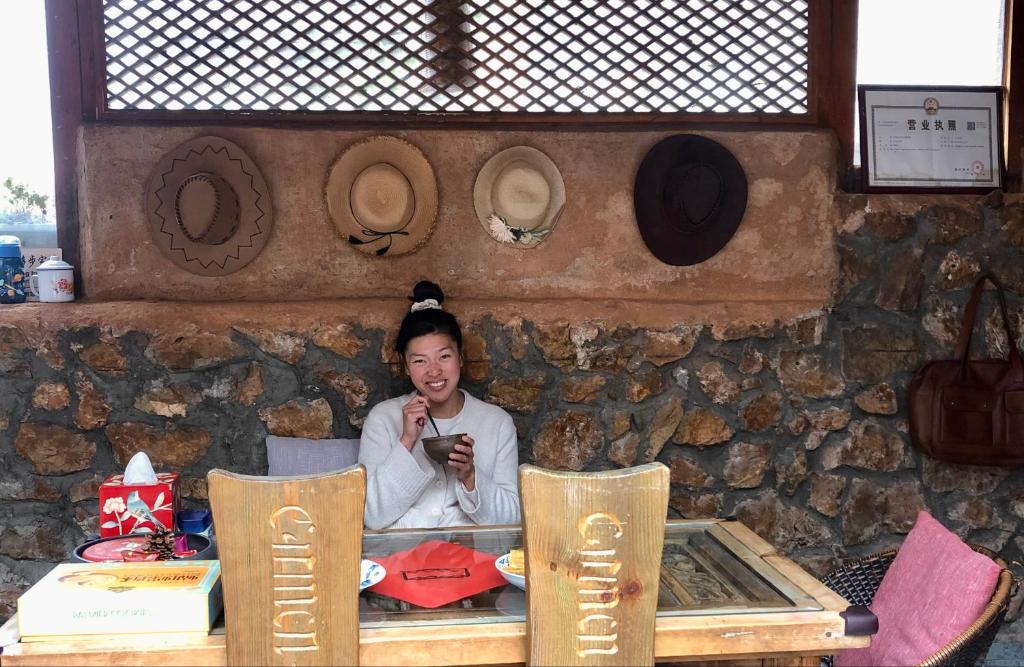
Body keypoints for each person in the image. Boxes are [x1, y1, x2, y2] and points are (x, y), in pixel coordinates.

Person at [358, 281, 521, 529]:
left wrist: (470, 476)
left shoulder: (496, 422)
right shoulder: (383, 419)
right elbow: (371, 516)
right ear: (405, 365)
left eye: (444, 356)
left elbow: (511, 520)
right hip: (402, 558)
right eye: (420, 360)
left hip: (472, 556)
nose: (434, 371)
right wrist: (407, 441)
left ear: (461, 358)